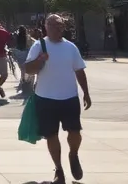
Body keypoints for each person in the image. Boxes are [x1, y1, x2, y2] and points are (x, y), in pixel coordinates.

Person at [25, 14, 91, 184]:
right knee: (51, 135)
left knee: (75, 132)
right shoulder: (39, 46)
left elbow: (79, 70)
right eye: (53, 25)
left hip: (69, 97)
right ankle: (59, 169)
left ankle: (73, 154)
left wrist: (86, 92)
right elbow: (29, 70)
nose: (57, 28)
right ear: (46, 27)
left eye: (60, 25)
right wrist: (40, 60)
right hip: (45, 98)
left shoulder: (71, 47)